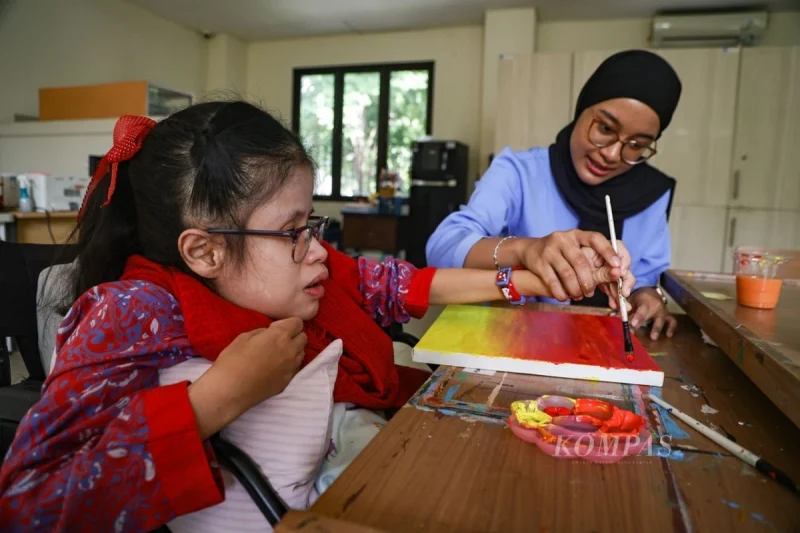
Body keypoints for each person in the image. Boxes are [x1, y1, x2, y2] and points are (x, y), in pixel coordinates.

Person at [0, 101, 625, 533]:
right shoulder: (132, 313)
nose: (319, 251)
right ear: (205, 251)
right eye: (293, 231)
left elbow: (393, 285)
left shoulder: (293, 274)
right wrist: (214, 400)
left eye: (312, 224)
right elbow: (29, 505)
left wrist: (530, 274)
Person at [426, 49, 682, 341]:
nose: (612, 154)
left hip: (607, 348)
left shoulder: (652, 194)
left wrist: (647, 296)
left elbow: (646, 276)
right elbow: (442, 249)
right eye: (605, 128)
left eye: (636, 145)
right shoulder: (519, 173)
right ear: (581, 110)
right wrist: (525, 249)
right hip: (516, 343)